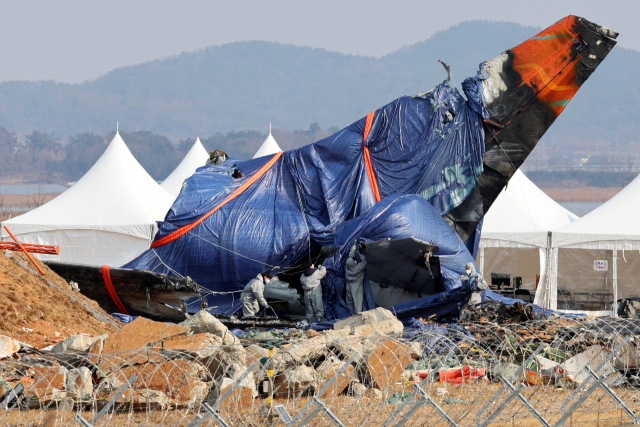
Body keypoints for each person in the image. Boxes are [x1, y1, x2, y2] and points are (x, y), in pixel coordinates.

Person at [345, 244, 367, 314]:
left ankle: (350, 315)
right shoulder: (356, 269)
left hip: (349, 285)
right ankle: (358, 316)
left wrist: (353, 246)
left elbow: (350, 257)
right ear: (353, 264)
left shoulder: (347, 268)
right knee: (357, 302)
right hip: (356, 286)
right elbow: (364, 263)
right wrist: (360, 254)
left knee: (349, 302)